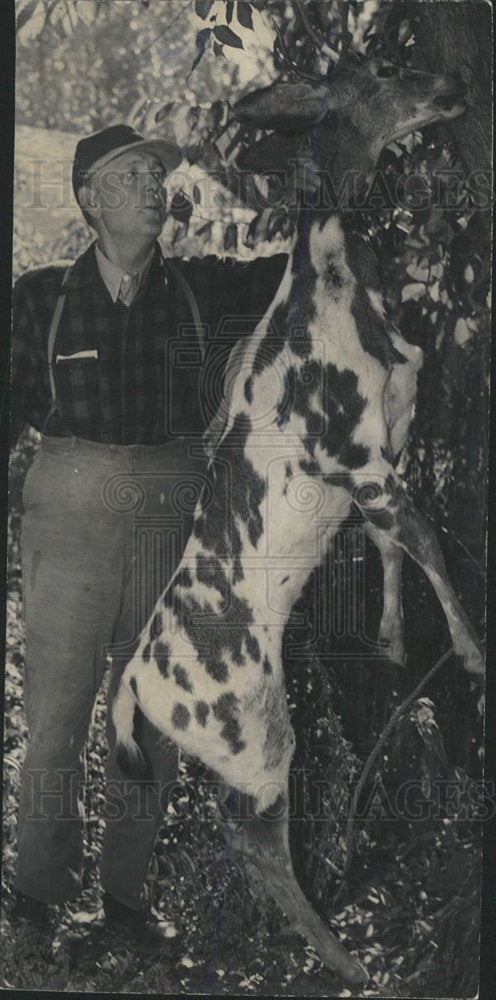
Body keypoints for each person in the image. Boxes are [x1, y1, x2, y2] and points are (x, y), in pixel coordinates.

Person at [9, 123, 286, 949]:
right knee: (56, 714)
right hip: (69, 502)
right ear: (90, 198)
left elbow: (304, 268)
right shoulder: (38, 298)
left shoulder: (203, 288)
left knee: (151, 717)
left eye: (158, 175)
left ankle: (125, 904)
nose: (153, 187)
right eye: (132, 175)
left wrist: (264, 177)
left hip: (172, 505)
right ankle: (35, 897)